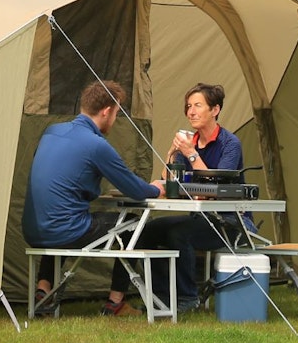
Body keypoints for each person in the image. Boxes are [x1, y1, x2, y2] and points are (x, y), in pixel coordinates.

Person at [22, 80, 167, 317]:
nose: (115, 119)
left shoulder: (51, 132)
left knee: (60, 217)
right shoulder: (96, 145)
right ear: (107, 111)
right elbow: (136, 190)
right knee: (131, 223)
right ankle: (115, 303)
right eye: (117, 113)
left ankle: (44, 290)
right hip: (63, 230)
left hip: (32, 229)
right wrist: (156, 188)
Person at [143, 82, 253, 312]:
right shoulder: (189, 143)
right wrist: (173, 152)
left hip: (231, 221)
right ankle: (161, 296)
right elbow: (170, 180)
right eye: (188, 106)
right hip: (201, 218)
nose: (191, 112)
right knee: (148, 230)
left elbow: (217, 186)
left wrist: (191, 155)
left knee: (178, 234)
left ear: (215, 110)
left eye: (198, 105)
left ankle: (187, 297)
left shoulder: (230, 144)